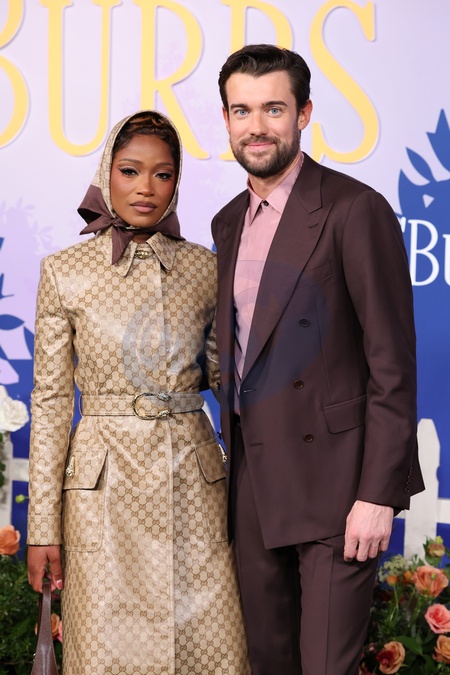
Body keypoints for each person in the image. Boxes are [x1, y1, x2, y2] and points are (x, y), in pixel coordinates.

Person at [211, 44, 425, 675]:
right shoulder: (227, 222)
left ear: (303, 114)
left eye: (273, 109)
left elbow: (392, 366)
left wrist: (377, 495)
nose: (256, 126)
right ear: (225, 119)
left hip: (338, 489)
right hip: (254, 486)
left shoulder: (355, 209)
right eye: (242, 110)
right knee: (267, 663)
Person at [27, 110, 249, 675]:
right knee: (106, 653)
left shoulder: (205, 268)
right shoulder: (64, 271)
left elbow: (229, 380)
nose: (146, 188)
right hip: (102, 491)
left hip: (193, 486)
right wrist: (42, 528)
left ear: (177, 182)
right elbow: (51, 404)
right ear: (107, 173)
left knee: (210, 652)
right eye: (130, 171)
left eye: (163, 174)